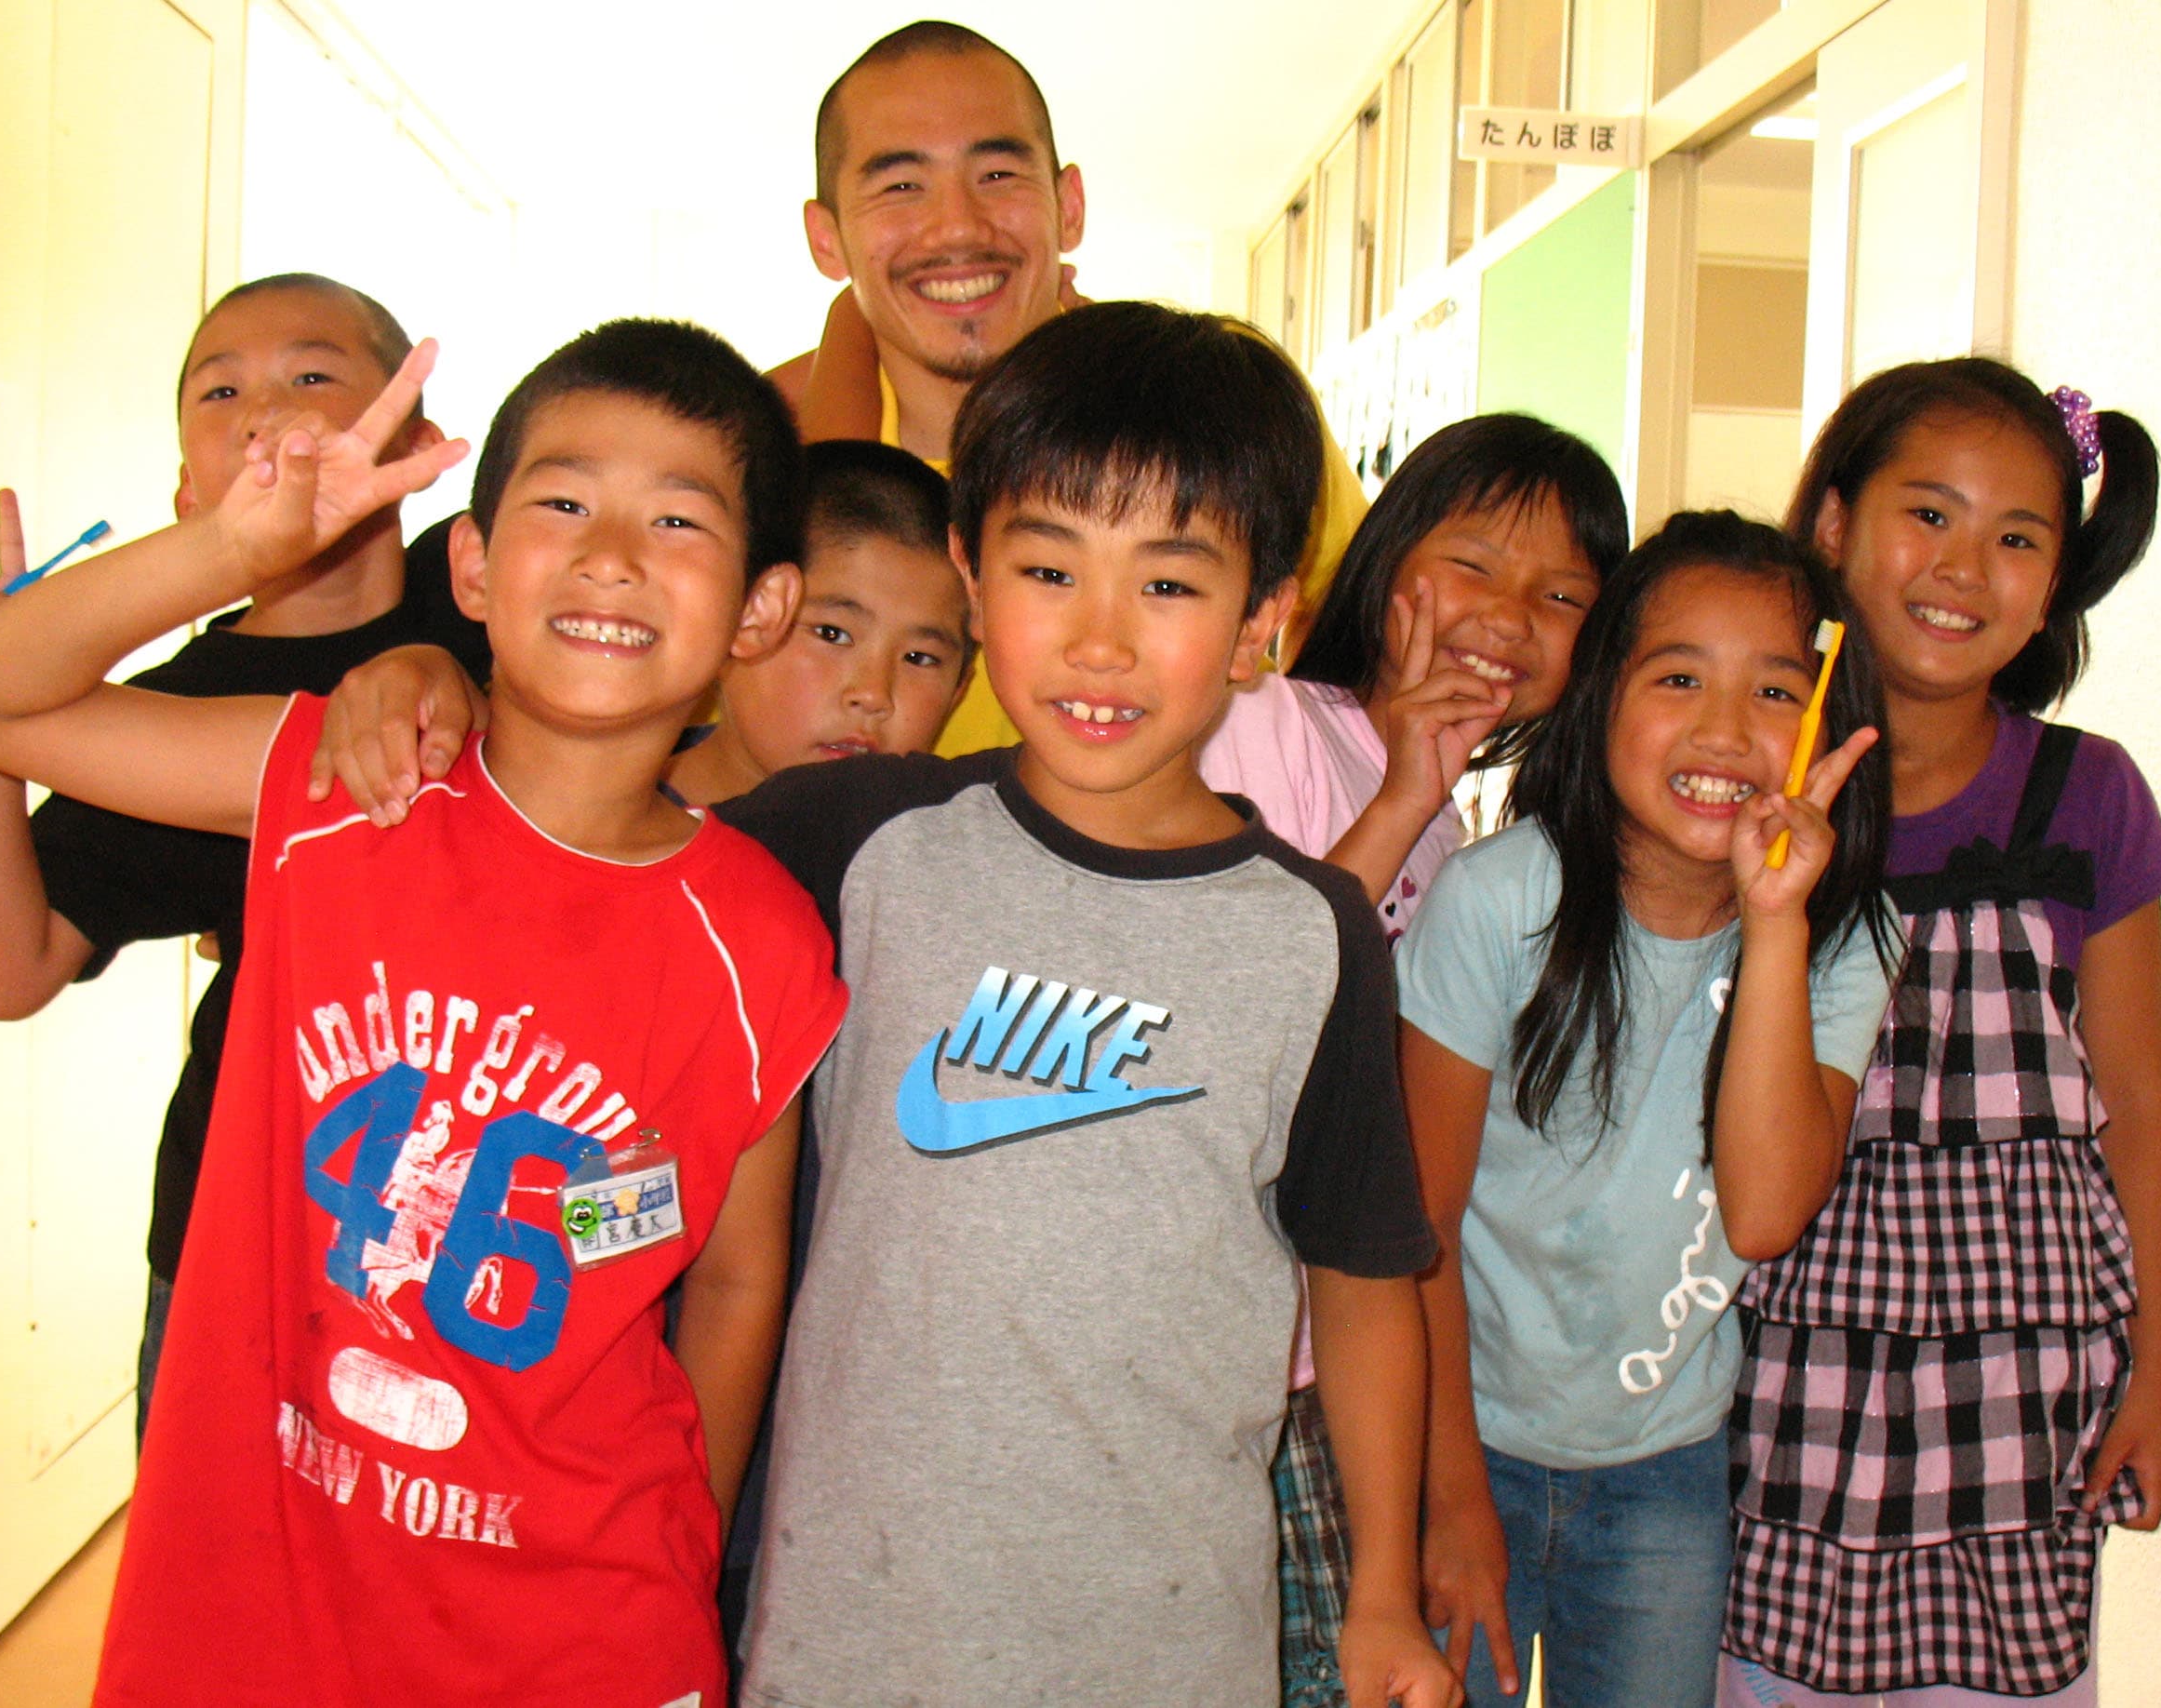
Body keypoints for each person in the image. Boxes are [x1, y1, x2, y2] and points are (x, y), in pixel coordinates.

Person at [308, 302, 1460, 1708]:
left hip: (1162, 1642)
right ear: (974, 578)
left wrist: (1386, 1597)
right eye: (1048, 568)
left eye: (1168, 586)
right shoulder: (853, 836)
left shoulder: (1312, 935)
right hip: (846, 1629)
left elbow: (1359, 1284)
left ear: (1262, 620)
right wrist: (432, 673)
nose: (1098, 640)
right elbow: (590, 819)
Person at [0, 321, 846, 1706]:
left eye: (679, 520)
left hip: (582, 1620)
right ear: (469, 565)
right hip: (259, 1584)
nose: (611, 555)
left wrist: (679, 1539)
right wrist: (231, 557)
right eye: (562, 503)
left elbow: (727, 1270)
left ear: (759, 609)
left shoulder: (758, 936)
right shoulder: (335, 793)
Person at [0, 273, 489, 1440]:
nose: (266, 413)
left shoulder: (479, 597)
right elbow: (8, 968)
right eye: (219, 392)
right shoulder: (173, 710)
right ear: (190, 490)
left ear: (415, 440)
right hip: (240, 1229)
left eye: (312, 376)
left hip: (482, 1222)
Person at [1714, 362, 2161, 1708]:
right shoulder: (1748, 787)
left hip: (2025, 1395)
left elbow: (2139, 1104)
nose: (1963, 567)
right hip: (1784, 1373)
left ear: (2053, 584)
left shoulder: (2088, 794)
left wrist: (2159, 1372)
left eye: (2016, 538)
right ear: (1834, 526)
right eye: (1930, 514)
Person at [1399, 512, 1899, 1708]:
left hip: (1666, 1471)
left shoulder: (1840, 941)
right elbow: (1416, 1220)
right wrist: (1453, 1493)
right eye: (1678, 677)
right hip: (1460, 1440)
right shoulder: (1499, 899)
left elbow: (1770, 1211)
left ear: (1832, 719)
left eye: (1778, 691)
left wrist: (1774, 920)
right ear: (1601, 697)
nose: (1725, 730)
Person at [1194, 412, 1625, 1708]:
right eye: (1478, 563)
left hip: (1327, 1367)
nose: (1512, 614)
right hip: (1213, 1354)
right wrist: (1397, 799)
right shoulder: (1265, 723)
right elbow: (1230, 1001)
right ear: (1386, 563)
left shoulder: (1464, 836)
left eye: (1563, 595)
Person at [776, 20, 1372, 754]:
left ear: (1071, 206)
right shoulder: (767, 454)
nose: (958, 227)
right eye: (901, 186)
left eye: (998, 175)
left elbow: (1355, 607)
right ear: (826, 239)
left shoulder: (1214, 405)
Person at [665, 437, 969, 807]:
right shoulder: (601, 821)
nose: (873, 695)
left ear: (957, 693)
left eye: (919, 658)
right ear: (733, 620)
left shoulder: (926, 854)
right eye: (833, 634)